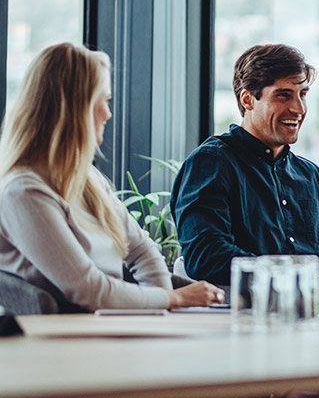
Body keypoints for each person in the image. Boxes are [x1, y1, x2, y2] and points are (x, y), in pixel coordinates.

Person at [0, 43, 224, 311]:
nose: (108, 113)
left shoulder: (86, 178)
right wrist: (173, 298)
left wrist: (162, 308)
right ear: (74, 108)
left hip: (107, 326)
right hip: (63, 339)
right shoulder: (23, 193)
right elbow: (88, 289)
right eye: (103, 101)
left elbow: (142, 250)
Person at [171, 44, 319, 304]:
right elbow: (206, 256)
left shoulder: (312, 176)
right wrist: (302, 277)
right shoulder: (211, 163)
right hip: (240, 326)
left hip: (318, 324)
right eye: (283, 95)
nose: (299, 108)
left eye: (303, 94)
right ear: (248, 100)